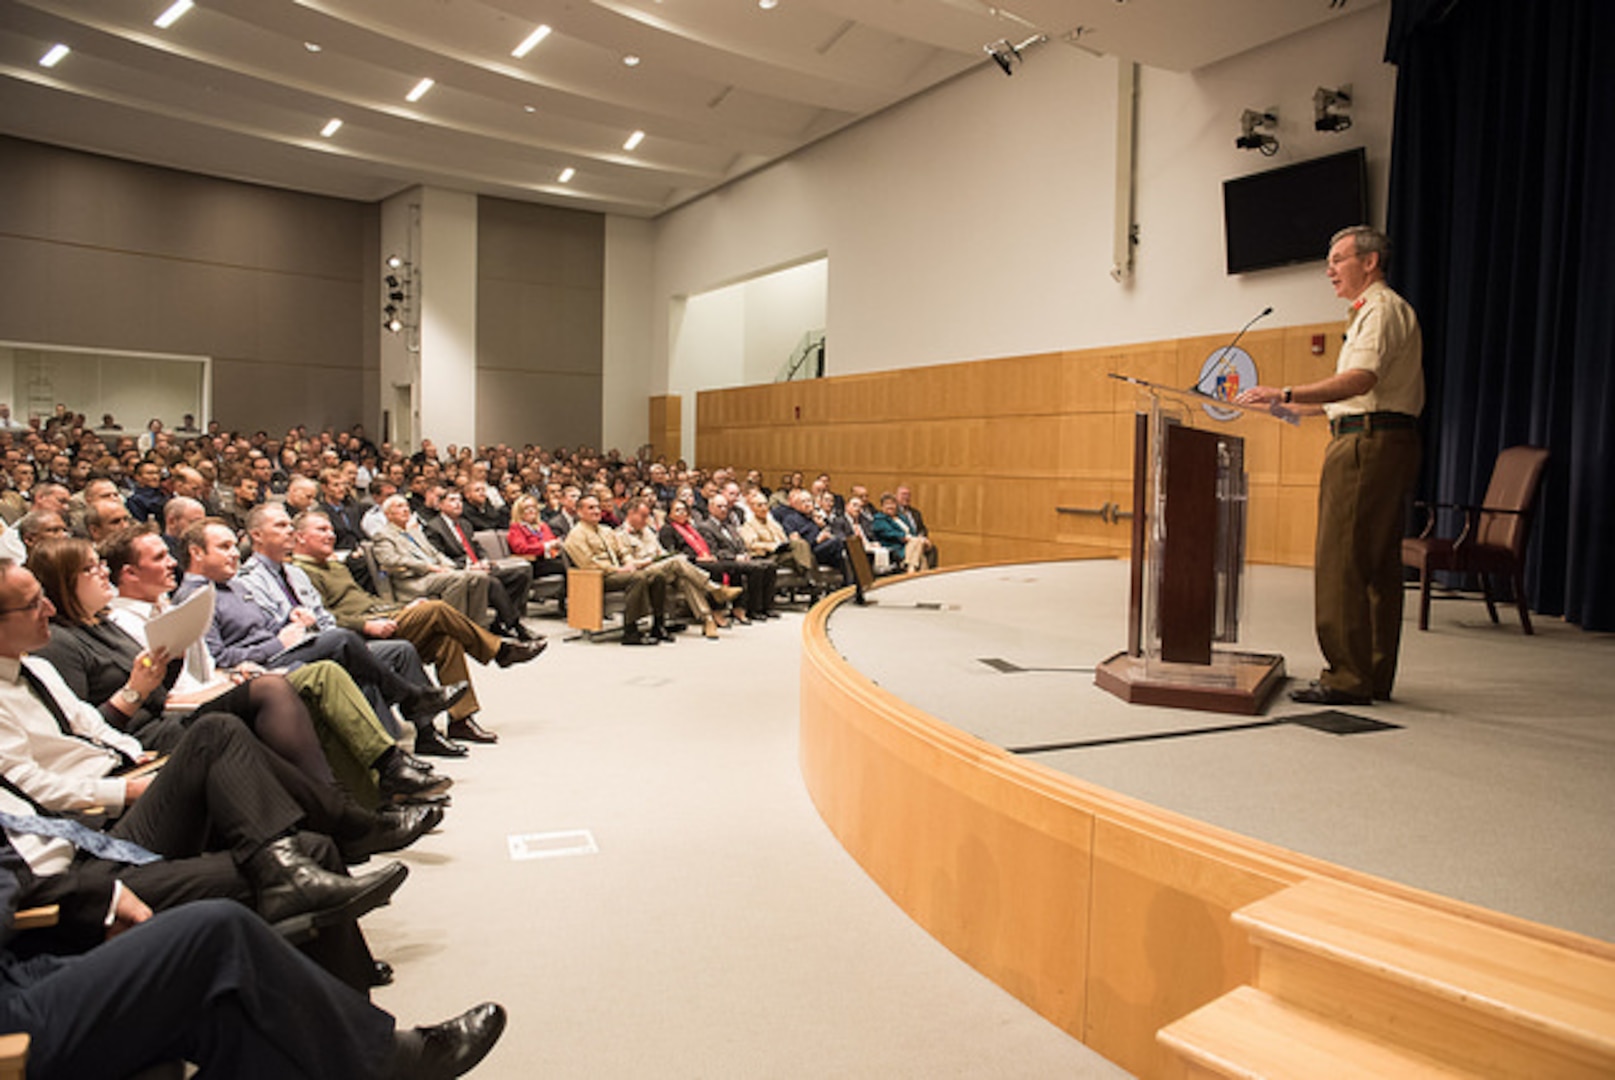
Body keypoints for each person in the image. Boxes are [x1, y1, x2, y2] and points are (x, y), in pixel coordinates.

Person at [0, 849, 506, 1079]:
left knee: (231, 1017)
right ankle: (385, 1061)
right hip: (12, 1015)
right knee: (216, 931)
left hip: (24, 958)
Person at [1237, 224, 1424, 706]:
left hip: (1365, 446)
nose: (1329, 270)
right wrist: (1275, 406)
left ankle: (1346, 676)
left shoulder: (1379, 310)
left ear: (1370, 261)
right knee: (1377, 563)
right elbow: (1346, 398)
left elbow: (1358, 381)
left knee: (1342, 561)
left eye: (1338, 259)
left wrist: (1286, 392)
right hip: (1383, 439)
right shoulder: (1380, 310)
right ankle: (1372, 672)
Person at [176, 518, 469, 757]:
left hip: (284, 648)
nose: (234, 553)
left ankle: (401, 749)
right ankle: (411, 701)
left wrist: (289, 621)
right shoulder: (197, 597)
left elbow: (265, 625)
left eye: (232, 546)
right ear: (196, 553)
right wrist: (280, 642)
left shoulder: (234, 586)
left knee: (393, 652)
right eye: (224, 547)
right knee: (341, 641)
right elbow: (216, 660)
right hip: (259, 669)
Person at [292, 510, 544, 746]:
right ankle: (499, 651)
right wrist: (366, 625)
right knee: (436, 608)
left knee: (447, 640)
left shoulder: (334, 565)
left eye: (330, 528)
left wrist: (405, 607)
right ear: (300, 538)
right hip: (360, 634)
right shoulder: (301, 572)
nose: (331, 534)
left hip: (386, 615)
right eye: (322, 529)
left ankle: (461, 720)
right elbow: (323, 619)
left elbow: (368, 600)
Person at [562, 495, 671, 646]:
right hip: (597, 578)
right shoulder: (576, 535)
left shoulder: (606, 530)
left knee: (657, 575)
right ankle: (630, 631)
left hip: (617, 572)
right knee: (637, 578)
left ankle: (658, 625)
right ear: (580, 512)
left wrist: (629, 563)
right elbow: (588, 564)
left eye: (597, 507)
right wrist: (618, 569)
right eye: (591, 508)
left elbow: (622, 552)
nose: (596, 511)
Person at [425, 492, 534, 640]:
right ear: (440, 505)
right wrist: (468, 566)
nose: (458, 503)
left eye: (459, 500)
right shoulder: (434, 527)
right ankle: (515, 625)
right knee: (493, 583)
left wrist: (483, 560)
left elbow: (476, 547)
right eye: (452, 500)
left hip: (479, 567)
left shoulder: (464, 524)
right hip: (461, 571)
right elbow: (438, 556)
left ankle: (499, 621)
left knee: (521, 573)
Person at [370, 495, 493, 627]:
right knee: (458, 579)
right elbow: (390, 560)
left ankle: (476, 625)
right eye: (399, 506)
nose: (405, 509)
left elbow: (435, 553)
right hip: (414, 580)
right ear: (388, 514)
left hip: (435, 574)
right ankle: (454, 625)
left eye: (406, 505)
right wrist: (428, 567)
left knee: (480, 576)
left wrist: (453, 567)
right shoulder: (383, 535)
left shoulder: (414, 532)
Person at [659, 498, 773, 624]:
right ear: (669, 513)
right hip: (687, 564)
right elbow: (672, 553)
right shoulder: (668, 530)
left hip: (704, 558)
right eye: (677, 511)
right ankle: (717, 611)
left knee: (734, 567)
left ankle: (738, 608)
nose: (682, 513)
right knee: (719, 568)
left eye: (684, 510)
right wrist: (697, 558)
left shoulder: (690, 528)